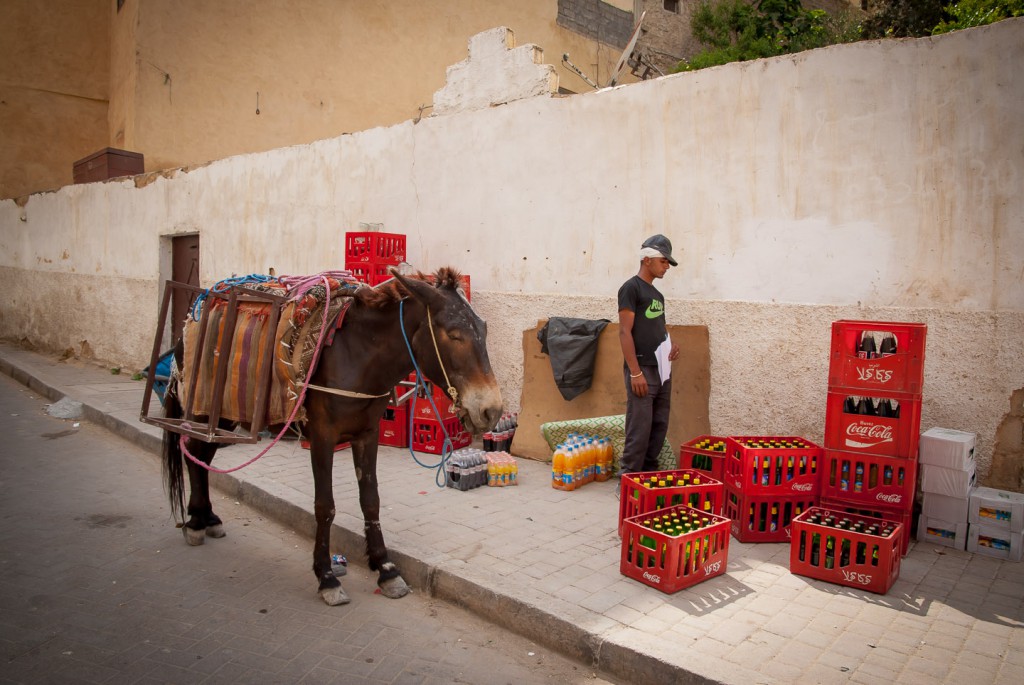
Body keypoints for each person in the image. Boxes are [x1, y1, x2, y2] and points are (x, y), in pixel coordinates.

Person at [617, 234, 680, 478]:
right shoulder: (630, 288)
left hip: (662, 369)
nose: (666, 267)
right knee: (639, 427)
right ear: (647, 260)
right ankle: (628, 479)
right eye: (664, 261)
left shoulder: (658, 296)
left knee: (658, 425)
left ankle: (648, 475)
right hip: (641, 368)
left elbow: (658, 325)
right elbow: (624, 331)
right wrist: (635, 372)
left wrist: (671, 343)